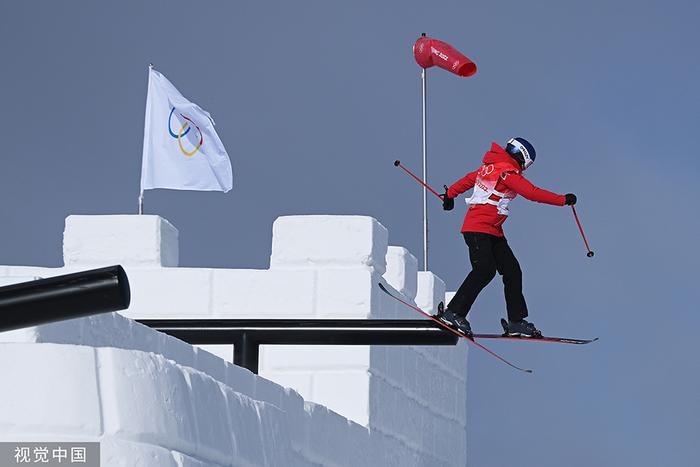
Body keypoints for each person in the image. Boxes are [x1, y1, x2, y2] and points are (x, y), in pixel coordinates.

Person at [438, 138, 577, 338]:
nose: (524, 168)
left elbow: (468, 179)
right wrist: (562, 200)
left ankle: (515, 322)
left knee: (512, 270)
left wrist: (449, 195)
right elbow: (532, 193)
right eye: (526, 164)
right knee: (484, 270)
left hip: (492, 231)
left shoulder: (489, 168)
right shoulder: (507, 173)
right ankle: (453, 313)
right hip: (478, 228)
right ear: (522, 157)